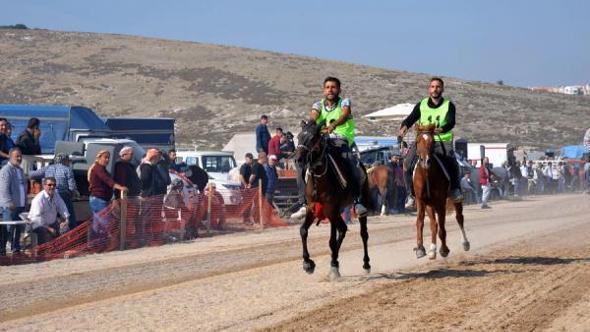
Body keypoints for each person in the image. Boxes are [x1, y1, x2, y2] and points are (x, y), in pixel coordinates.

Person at [295, 76, 368, 218]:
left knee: (351, 161)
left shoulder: (344, 103)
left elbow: (345, 114)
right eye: (327, 87)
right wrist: (311, 126)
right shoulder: (318, 105)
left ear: (339, 90)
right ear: (323, 91)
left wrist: (333, 126)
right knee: (300, 161)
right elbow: (313, 117)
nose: (330, 90)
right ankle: (303, 202)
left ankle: (357, 201)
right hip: (323, 140)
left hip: (341, 140)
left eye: (333, 87)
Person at [399, 77, 463, 209]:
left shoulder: (448, 105)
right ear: (429, 89)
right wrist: (404, 126)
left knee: (453, 162)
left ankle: (455, 190)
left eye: (438, 87)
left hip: (441, 140)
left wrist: (440, 129)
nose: (435, 89)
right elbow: (411, 118)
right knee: (406, 164)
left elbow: (451, 122)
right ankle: (410, 195)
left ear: (442, 89)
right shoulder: (421, 104)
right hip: (423, 141)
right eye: (433, 87)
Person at [29, 153, 79, 230]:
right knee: (70, 218)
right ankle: (72, 234)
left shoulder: (47, 168)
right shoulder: (67, 169)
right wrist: (73, 194)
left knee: (52, 219)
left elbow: (32, 174)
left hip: (48, 195)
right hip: (63, 195)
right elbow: (72, 187)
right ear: (65, 161)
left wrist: (30, 167)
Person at [88, 150, 128, 222]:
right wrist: (120, 187)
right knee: (105, 224)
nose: (107, 160)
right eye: (105, 157)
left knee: (98, 225)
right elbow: (107, 180)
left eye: (108, 158)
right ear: (99, 158)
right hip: (98, 200)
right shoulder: (98, 168)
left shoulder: (102, 168)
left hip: (102, 199)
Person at [0, 148, 27, 255]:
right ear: (10, 156)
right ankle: (2, 250)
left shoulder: (20, 170)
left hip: (20, 205)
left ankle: (15, 248)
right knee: (7, 228)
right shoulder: (5, 170)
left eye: (20, 156)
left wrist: (25, 202)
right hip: (9, 206)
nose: (19, 158)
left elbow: (23, 188)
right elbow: (3, 189)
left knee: (18, 228)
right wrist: (9, 202)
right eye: (17, 156)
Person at [28, 177, 70, 245]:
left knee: (65, 228)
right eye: (49, 185)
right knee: (42, 231)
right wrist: (49, 228)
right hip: (37, 224)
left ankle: (60, 249)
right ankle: (41, 252)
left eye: (54, 185)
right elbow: (37, 219)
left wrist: (66, 220)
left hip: (52, 223)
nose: (52, 187)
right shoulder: (39, 199)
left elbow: (62, 207)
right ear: (44, 186)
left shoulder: (56, 195)